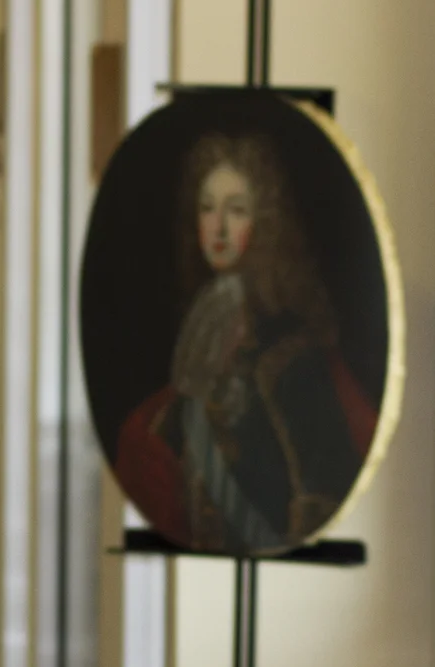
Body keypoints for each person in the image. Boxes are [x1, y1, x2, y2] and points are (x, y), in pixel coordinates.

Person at [115, 131, 377, 553]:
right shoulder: (206, 322)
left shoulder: (290, 352)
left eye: (236, 211)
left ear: (266, 222)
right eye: (207, 209)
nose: (218, 227)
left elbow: (318, 495)